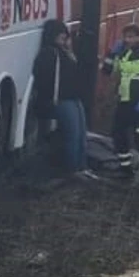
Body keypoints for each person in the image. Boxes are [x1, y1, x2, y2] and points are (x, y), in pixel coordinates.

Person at [31, 18, 97, 180]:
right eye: (61, 35)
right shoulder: (49, 53)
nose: (64, 38)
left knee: (81, 133)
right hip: (61, 99)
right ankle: (73, 170)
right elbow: (43, 78)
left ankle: (82, 167)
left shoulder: (66, 52)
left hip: (73, 98)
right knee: (72, 135)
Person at [103, 23, 139, 186]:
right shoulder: (123, 54)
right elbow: (107, 71)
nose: (128, 40)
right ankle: (125, 169)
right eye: (125, 36)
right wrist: (111, 53)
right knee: (118, 135)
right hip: (124, 101)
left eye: (131, 36)